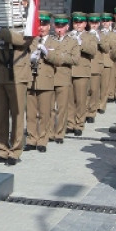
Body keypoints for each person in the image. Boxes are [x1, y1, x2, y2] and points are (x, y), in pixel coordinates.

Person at [0, 5, 33, 166]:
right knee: (0, 114)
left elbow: (22, 40)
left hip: (18, 75)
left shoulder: (28, 20)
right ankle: (2, 150)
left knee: (17, 114)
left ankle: (15, 151)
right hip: (0, 73)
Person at [44, 13, 79, 143]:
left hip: (63, 77)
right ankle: (50, 132)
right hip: (50, 76)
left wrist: (61, 57)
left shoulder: (73, 41)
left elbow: (76, 59)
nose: (59, 28)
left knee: (62, 107)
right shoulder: (49, 40)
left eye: (62, 26)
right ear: (54, 26)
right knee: (49, 107)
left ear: (67, 27)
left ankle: (59, 133)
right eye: (57, 25)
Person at [24, 13, 55, 152]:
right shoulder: (31, 41)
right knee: (30, 113)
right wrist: (30, 58)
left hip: (46, 81)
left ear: (49, 26)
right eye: (39, 24)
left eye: (44, 25)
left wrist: (48, 53)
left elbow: (59, 59)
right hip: (31, 80)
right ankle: (31, 139)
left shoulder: (54, 41)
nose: (41, 28)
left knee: (44, 113)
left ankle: (42, 140)